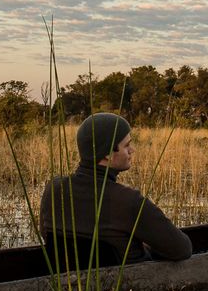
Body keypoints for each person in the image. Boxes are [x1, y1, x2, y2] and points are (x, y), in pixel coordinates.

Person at [39, 113, 193, 268]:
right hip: (126, 287)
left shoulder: (53, 188)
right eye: (126, 145)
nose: (132, 150)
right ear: (108, 153)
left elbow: (46, 234)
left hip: (68, 282)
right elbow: (182, 249)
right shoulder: (129, 201)